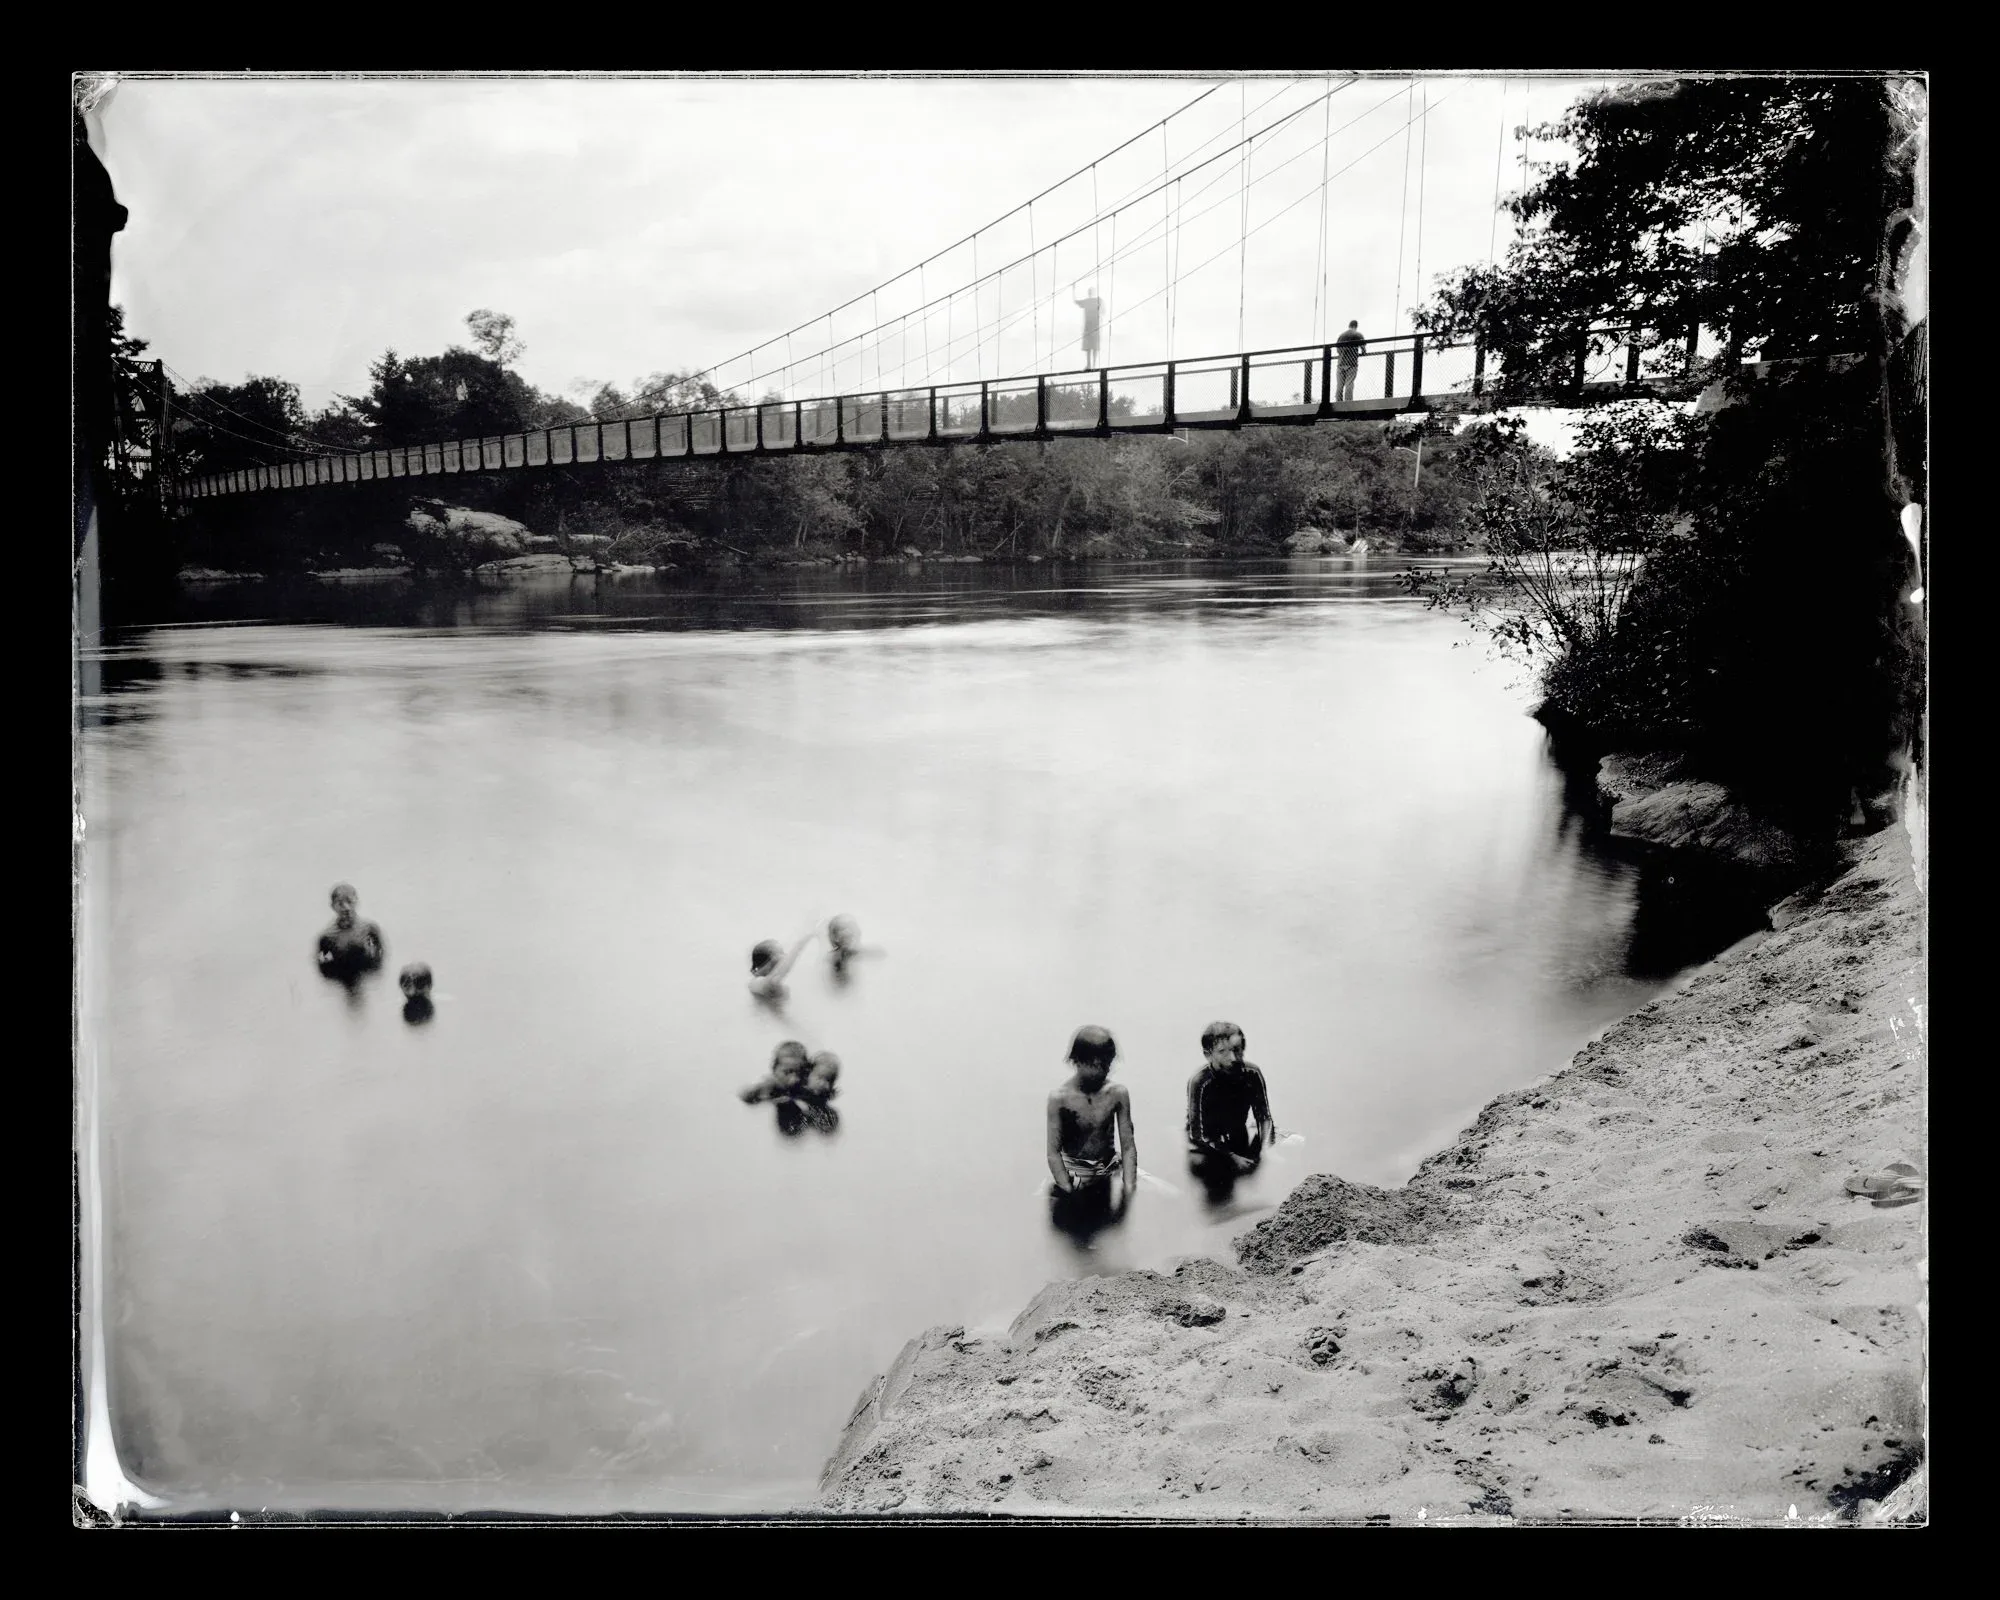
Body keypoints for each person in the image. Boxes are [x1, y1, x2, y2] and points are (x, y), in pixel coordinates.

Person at [1046, 1025, 1137, 1201]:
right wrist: (1066, 1187)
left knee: (1166, 1193)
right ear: (1077, 1061)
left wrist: (1129, 1187)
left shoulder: (1117, 1093)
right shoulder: (1059, 1098)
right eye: (1097, 1065)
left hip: (1109, 1168)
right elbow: (1053, 1153)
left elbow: (1128, 1147)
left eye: (1107, 1065)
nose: (1104, 1070)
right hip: (1075, 1172)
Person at [1185, 1021, 1275, 1182]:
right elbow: (1197, 1134)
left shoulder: (1252, 1073)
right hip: (1206, 1143)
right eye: (1222, 1052)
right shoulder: (1199, 1082)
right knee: (1202, 1167)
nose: (1233, 1058)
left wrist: (1266, 1150)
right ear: (1208, 1054)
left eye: (1236, 1050)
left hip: (1238, 1133)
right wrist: (1233, 1158)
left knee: (1292, 1144)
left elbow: (1264, 1117)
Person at [316, 883, 385, 978]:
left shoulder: (370, 931)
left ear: (356, 901)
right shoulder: (327, 938)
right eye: (340, 903)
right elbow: (325, 971)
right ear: (333, 906)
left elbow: (379, 964)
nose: (346, 908)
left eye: (349, 901)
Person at [748, 922, 818, 1003]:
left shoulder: (781, 987)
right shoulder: (755, 984)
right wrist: (801, 943)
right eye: (776, 961)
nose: (780, 963)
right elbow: (772, 981)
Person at [1334, 320, 1366, 402]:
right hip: (1351, 363)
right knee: (1349, 383)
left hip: (1340, 363)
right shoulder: (1358, 335)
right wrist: (1362, 352)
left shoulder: (1341, 336)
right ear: (1356, 326)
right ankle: (1348, 402)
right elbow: (1363, 349)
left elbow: (1338, 350)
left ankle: (1338, 402)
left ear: (1349, 325)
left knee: (1339, 385)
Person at [1074, 284, 1105, 368]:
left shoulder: (1087, 301)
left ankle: (1089, 365)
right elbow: (1103, 311)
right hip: (1096, 327)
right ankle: (1093, 365)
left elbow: (1075, 301)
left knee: (1088, 348)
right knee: (1094, 347)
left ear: (1089, 293)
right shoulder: (1099, 300)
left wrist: (1073, 289)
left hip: (1088, 327)